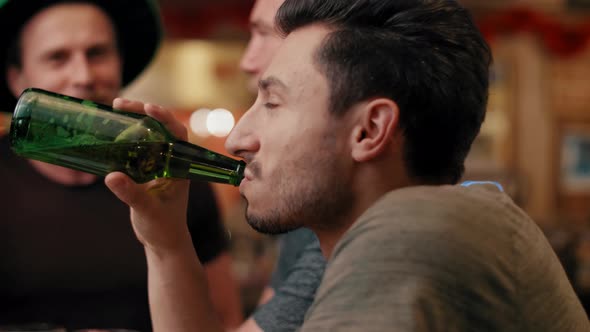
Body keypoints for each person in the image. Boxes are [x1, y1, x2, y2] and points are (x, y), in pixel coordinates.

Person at [106, 0, 590, 330]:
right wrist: (165, 238)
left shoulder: (411, 235)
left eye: (272, 103)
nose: (237, 139)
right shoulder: (444, 218)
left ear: (369, 129)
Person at [0, 1, 242, 331]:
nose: (83, 76)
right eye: (57, 57)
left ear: (120, 64)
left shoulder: (171, 181)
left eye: (97, 53)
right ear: (17, 79)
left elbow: (226, 322)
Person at [239, 0, 325, 330]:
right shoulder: (307, 210)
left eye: (264, 32)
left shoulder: (357, 239)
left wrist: (167, 247)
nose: (247, 60)